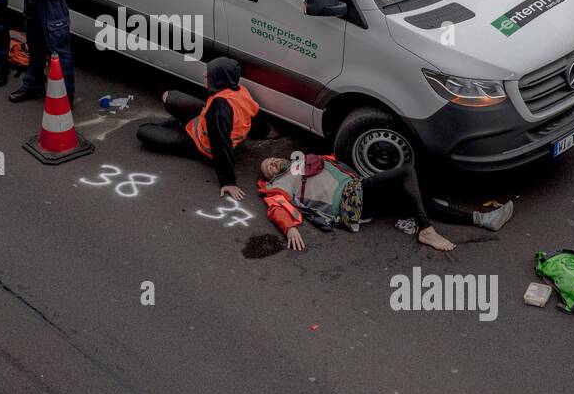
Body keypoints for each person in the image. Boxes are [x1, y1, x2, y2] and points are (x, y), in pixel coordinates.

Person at [259, 154, 513, 252]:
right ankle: (425, 230)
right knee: (405, 172)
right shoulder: (281, 183)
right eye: (267, 169)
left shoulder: (302, 160)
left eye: (271, 160)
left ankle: (481, 220)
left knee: (416, 199)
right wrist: (289, 227)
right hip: (350, 201)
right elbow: (276, 206)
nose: (271, 165)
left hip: (358, 190)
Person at [136, 58, 259, 198]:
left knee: (143, 131)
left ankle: (178, 125)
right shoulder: (240, 90)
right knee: (168, 96)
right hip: (201, 120)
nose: (204, 75)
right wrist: (262, 133)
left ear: (220, 78)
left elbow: (221, 144)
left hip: (200, 144)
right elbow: (255, 116)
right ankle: (179, 123)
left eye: (209, 74)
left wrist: (228, 181)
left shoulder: (219, 110)